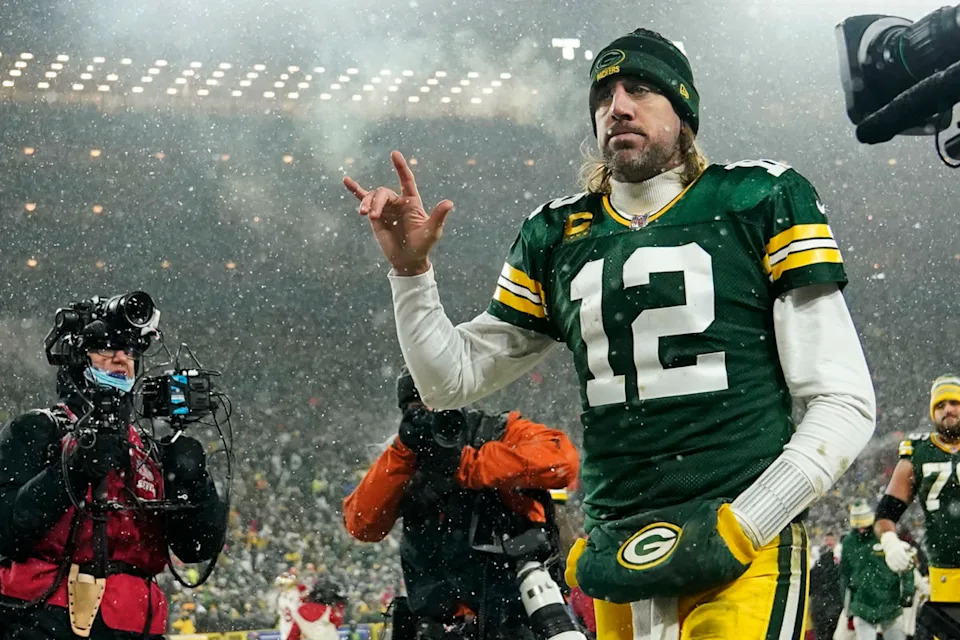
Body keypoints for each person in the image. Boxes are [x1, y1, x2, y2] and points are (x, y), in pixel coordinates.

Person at [344, 27, 875, 640]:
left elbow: (844, 401)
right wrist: (411, 273)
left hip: (742, 551)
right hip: (619, 554)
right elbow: (449, 380)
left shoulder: (760, 197)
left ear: (684, 110)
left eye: (641, 89)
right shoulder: (557, 233)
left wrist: (747, 523)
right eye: (603, 96)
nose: (617, 107)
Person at [0, 292, 228, 639]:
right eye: (107, 350)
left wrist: (194, 484)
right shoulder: (38, 429)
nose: (122, 360)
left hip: (136, 623)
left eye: (131, 352)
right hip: (41, 617)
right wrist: (73, 471)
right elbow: (6, 532)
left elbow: (196, 549)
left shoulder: (153, 450)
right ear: (79, 359)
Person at [342, 368, 579, 639]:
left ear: (457, 399)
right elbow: (361, 524)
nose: (428, 416)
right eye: (416, 409)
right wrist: (402, 452)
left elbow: (563, 463)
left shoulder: (497, 431)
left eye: (434, 404)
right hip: (438, 625)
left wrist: (468, 465)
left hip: (514, 617)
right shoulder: (405, 458)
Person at [875, 376, 960, 628]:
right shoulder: (918, 452)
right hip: (945, 571)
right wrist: (890, 542)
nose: (948, 409)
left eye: (954, 402)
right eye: (940, 405)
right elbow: (886, 512)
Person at [840, 500, 914, 640]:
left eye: (864, 526)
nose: (862, 529)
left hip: (890, 602)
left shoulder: (884, 537)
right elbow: (844, 574)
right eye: (858, 527)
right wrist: (847, 607)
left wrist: (907, 592)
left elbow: (905, 566)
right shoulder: (849, 543)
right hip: (862, 604)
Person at [810, 532, 844, 640]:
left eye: (831, 540)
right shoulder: (816, 562)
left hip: (828, 607)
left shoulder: (839, 562)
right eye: (826, 540)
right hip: (826, 606)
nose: (828, 543)